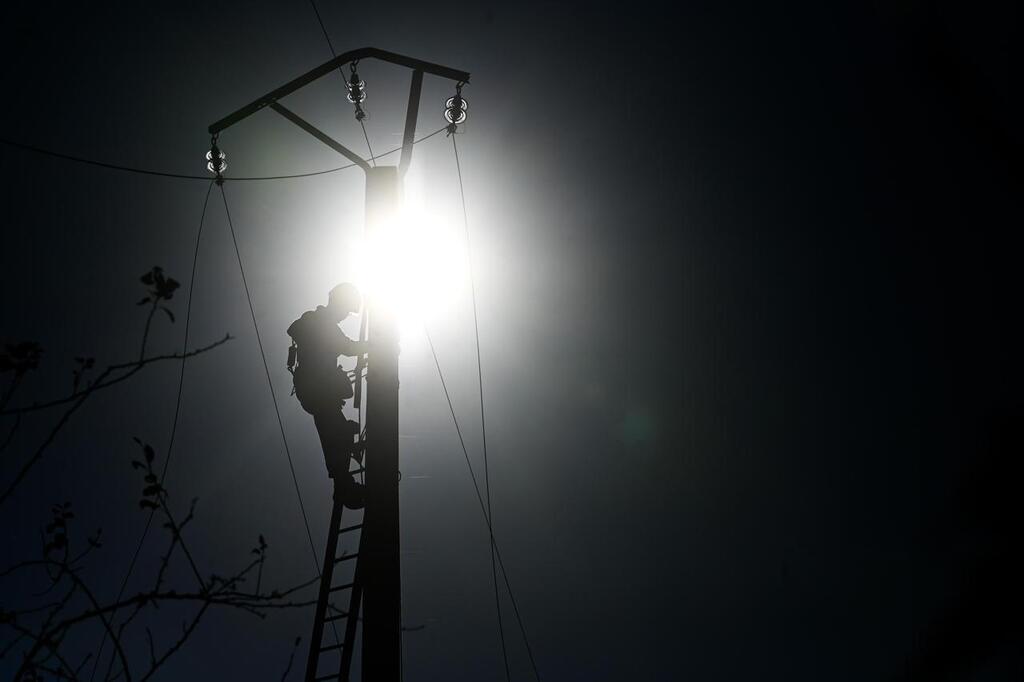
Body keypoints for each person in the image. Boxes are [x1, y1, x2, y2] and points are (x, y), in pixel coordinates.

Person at [287, 283, 368, 508]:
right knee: (335, 432)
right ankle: (343, 486)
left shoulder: (319, 322)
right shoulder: (321, 323)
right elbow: (348, 347)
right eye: (346, 310)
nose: (345, 316)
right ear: (338, 303)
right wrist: (376, 346)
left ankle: (343, 482)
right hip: (317, 389)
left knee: (337, 429)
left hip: (316, 390)